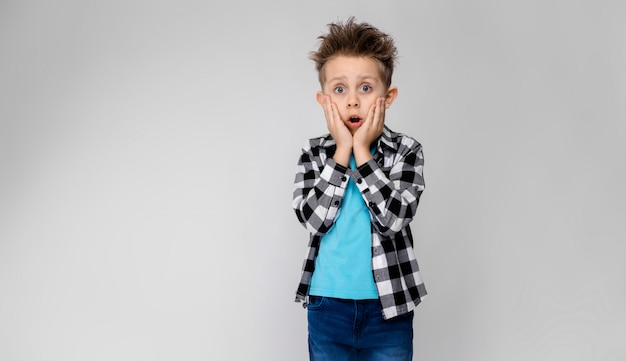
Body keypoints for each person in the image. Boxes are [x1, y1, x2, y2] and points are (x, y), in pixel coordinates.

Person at [291, 17, 427, 361]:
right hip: (326, 306)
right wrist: (341, 153)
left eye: (365, 88)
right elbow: (312, 221)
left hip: (389, 307)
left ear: (388, 96)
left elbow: (393, 219)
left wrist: (363, 154)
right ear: (324, 101)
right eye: (340, 90)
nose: (353, 101)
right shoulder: (313, 153)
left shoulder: (406, 151)